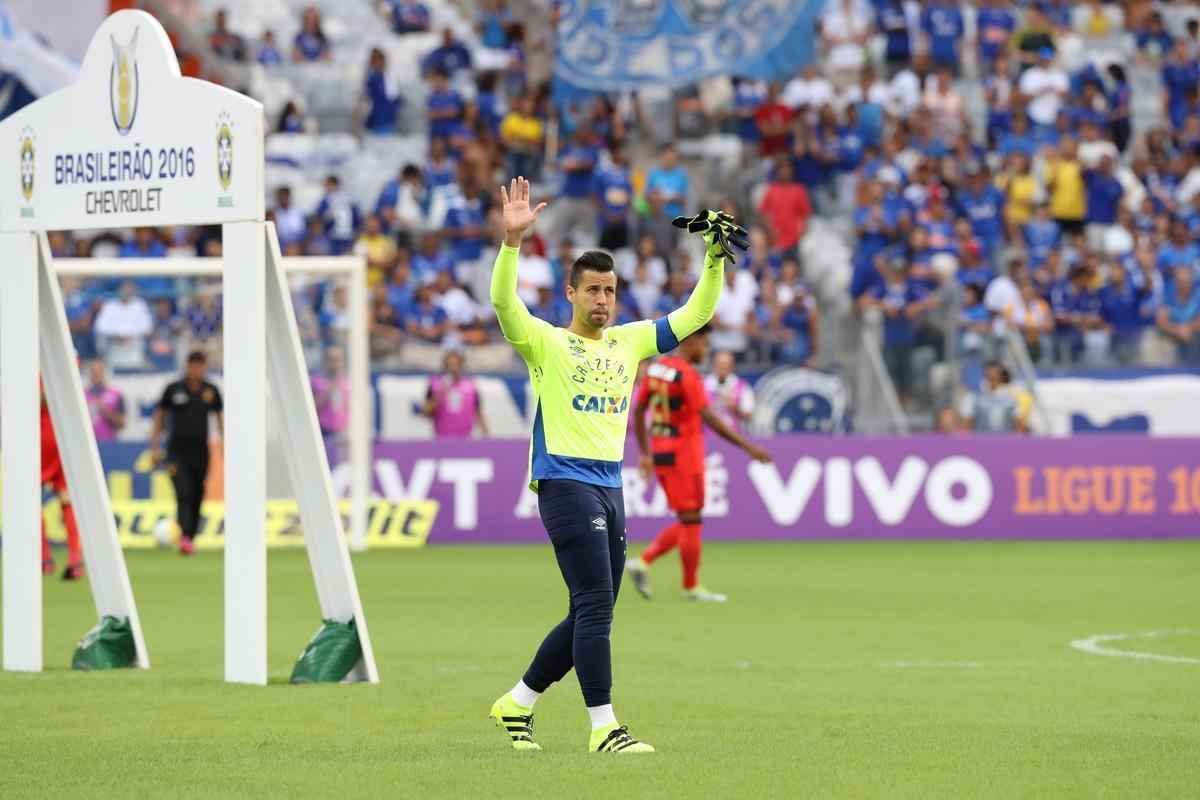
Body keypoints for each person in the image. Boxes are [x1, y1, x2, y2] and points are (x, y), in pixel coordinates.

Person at [486, 178, 735, 754]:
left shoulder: (629, 341)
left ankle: (517, 703)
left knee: (589, 609)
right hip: (564, 482)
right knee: (596, 605)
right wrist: (512, 243)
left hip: (610, 485)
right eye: (593, 290)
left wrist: (713, 259)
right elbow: (503, 303)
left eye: (610, 291)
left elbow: (697, 313)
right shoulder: (545, 342)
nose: (602, 300)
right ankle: (605, 728)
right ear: (571, 293)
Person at [624, 328, 769, 603]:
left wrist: (645, 453)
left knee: (690, 518)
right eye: (704, 344)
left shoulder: (656, 369)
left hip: (663, 451)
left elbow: (639, 410)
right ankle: (685, 583)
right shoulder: (688, 375)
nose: (706, 350)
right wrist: (749, 447)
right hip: (683, 455)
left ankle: (647, 564)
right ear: (689, 341)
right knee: (691, 518)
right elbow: (710, 418)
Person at [149, 352, 224, 556]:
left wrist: (225, 446)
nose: (196, 370)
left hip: (200, 452)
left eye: (200, 366)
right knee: (183, 493)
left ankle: (189, 538)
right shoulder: (174, 389)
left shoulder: (211, 390)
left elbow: (220, 418)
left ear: (204, 367)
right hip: (176, 453)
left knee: (198, 494)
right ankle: (184, 537)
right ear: (188, 366)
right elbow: (160, 417)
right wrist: (155, 447)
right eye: (193, 366)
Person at [39, 383, 85, 580]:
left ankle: (44, 559)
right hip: (64, 436)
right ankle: (75, 560)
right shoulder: (63, 367)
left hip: (40, 437)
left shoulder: (30, 371)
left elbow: (42, 398)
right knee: (67, 500)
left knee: (29, 499)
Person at [423, 350, 488, 437]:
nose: (453, 369)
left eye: (456, 365)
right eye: (450, 365)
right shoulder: (435, 384)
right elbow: (426, 412)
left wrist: (486, 434)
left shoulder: (470, 385)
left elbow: (478, 412)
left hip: (465, 438)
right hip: (442, 438)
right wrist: (441, 392)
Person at [312, 346, 350, 465]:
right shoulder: (316, 381)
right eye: (331, 359)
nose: (334, 363)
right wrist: (329, 391)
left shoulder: (348, 381)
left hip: (343, 431)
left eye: (337, 359)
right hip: (324, 431)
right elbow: (312, 407)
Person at [705, 351, 755, 430]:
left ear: (732, 366)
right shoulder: (703, 385)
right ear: (714, 365)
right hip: (707, 435)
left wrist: (735, 408)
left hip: (733, 434)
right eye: (720, 364)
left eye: (726, 365)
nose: (722, 368)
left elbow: (749, 416)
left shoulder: (742, 387)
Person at [84, 359, 126, 442]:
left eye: (99, 372)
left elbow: (122, 423)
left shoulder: (115, 394)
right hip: (87, 441)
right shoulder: (82, 395)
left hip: (108, 442)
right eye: (93, 372)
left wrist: (104, 411)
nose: (96, 375)